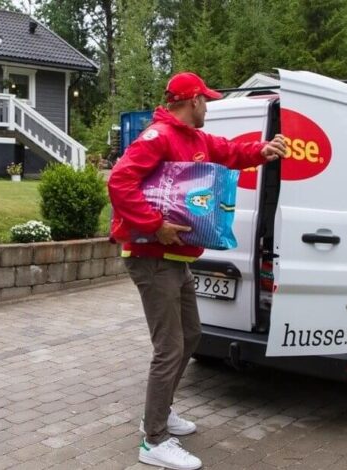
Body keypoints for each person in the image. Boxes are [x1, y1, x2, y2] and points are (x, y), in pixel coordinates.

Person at [108, 71, 286, 470]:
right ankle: (154, 440)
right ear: (192, 101)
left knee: (191, 334)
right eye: (205, 100)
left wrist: (264, 150)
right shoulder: (158, 137)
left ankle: (160, 411)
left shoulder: (196, 139)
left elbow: (231, 151)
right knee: (169, 347)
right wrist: (155, 224)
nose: (208, 106)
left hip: (175, 258)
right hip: (151, 256)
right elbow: (119, 183)